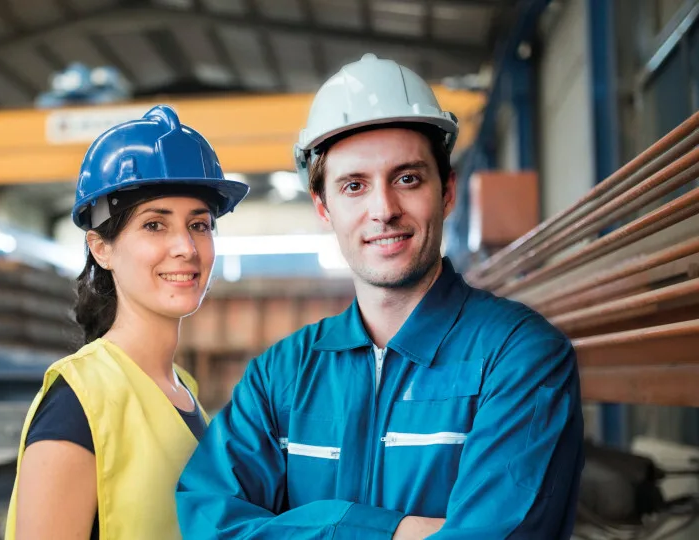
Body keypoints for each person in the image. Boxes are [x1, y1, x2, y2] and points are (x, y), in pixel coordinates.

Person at [175, 54, 585, 539]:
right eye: (354, 186)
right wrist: (372, 529)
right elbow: (208, 521)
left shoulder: (521, 358)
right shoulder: (281, 376)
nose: (384, 209)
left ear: (447, 192)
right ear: (323, 208)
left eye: (407, 179)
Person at [4, 105, 249, 539]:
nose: (186, 247)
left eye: (199, 224)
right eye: (154, 225)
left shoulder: (184, 393)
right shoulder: (79, 402)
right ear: (101, 249)